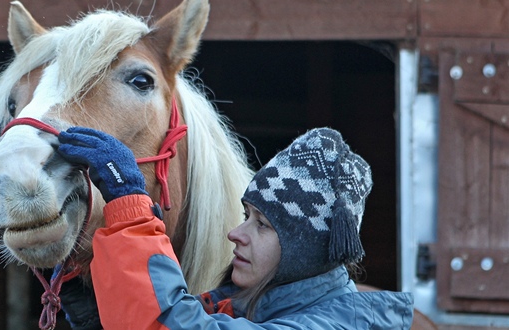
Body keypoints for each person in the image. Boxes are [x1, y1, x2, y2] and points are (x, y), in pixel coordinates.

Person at [56, 126, 414, 329]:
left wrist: (129, 204)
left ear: (305, 250)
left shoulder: (332, 326)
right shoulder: (242, 309)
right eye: (246, 216)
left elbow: (168, 325)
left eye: (262, 224)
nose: (236, 233)